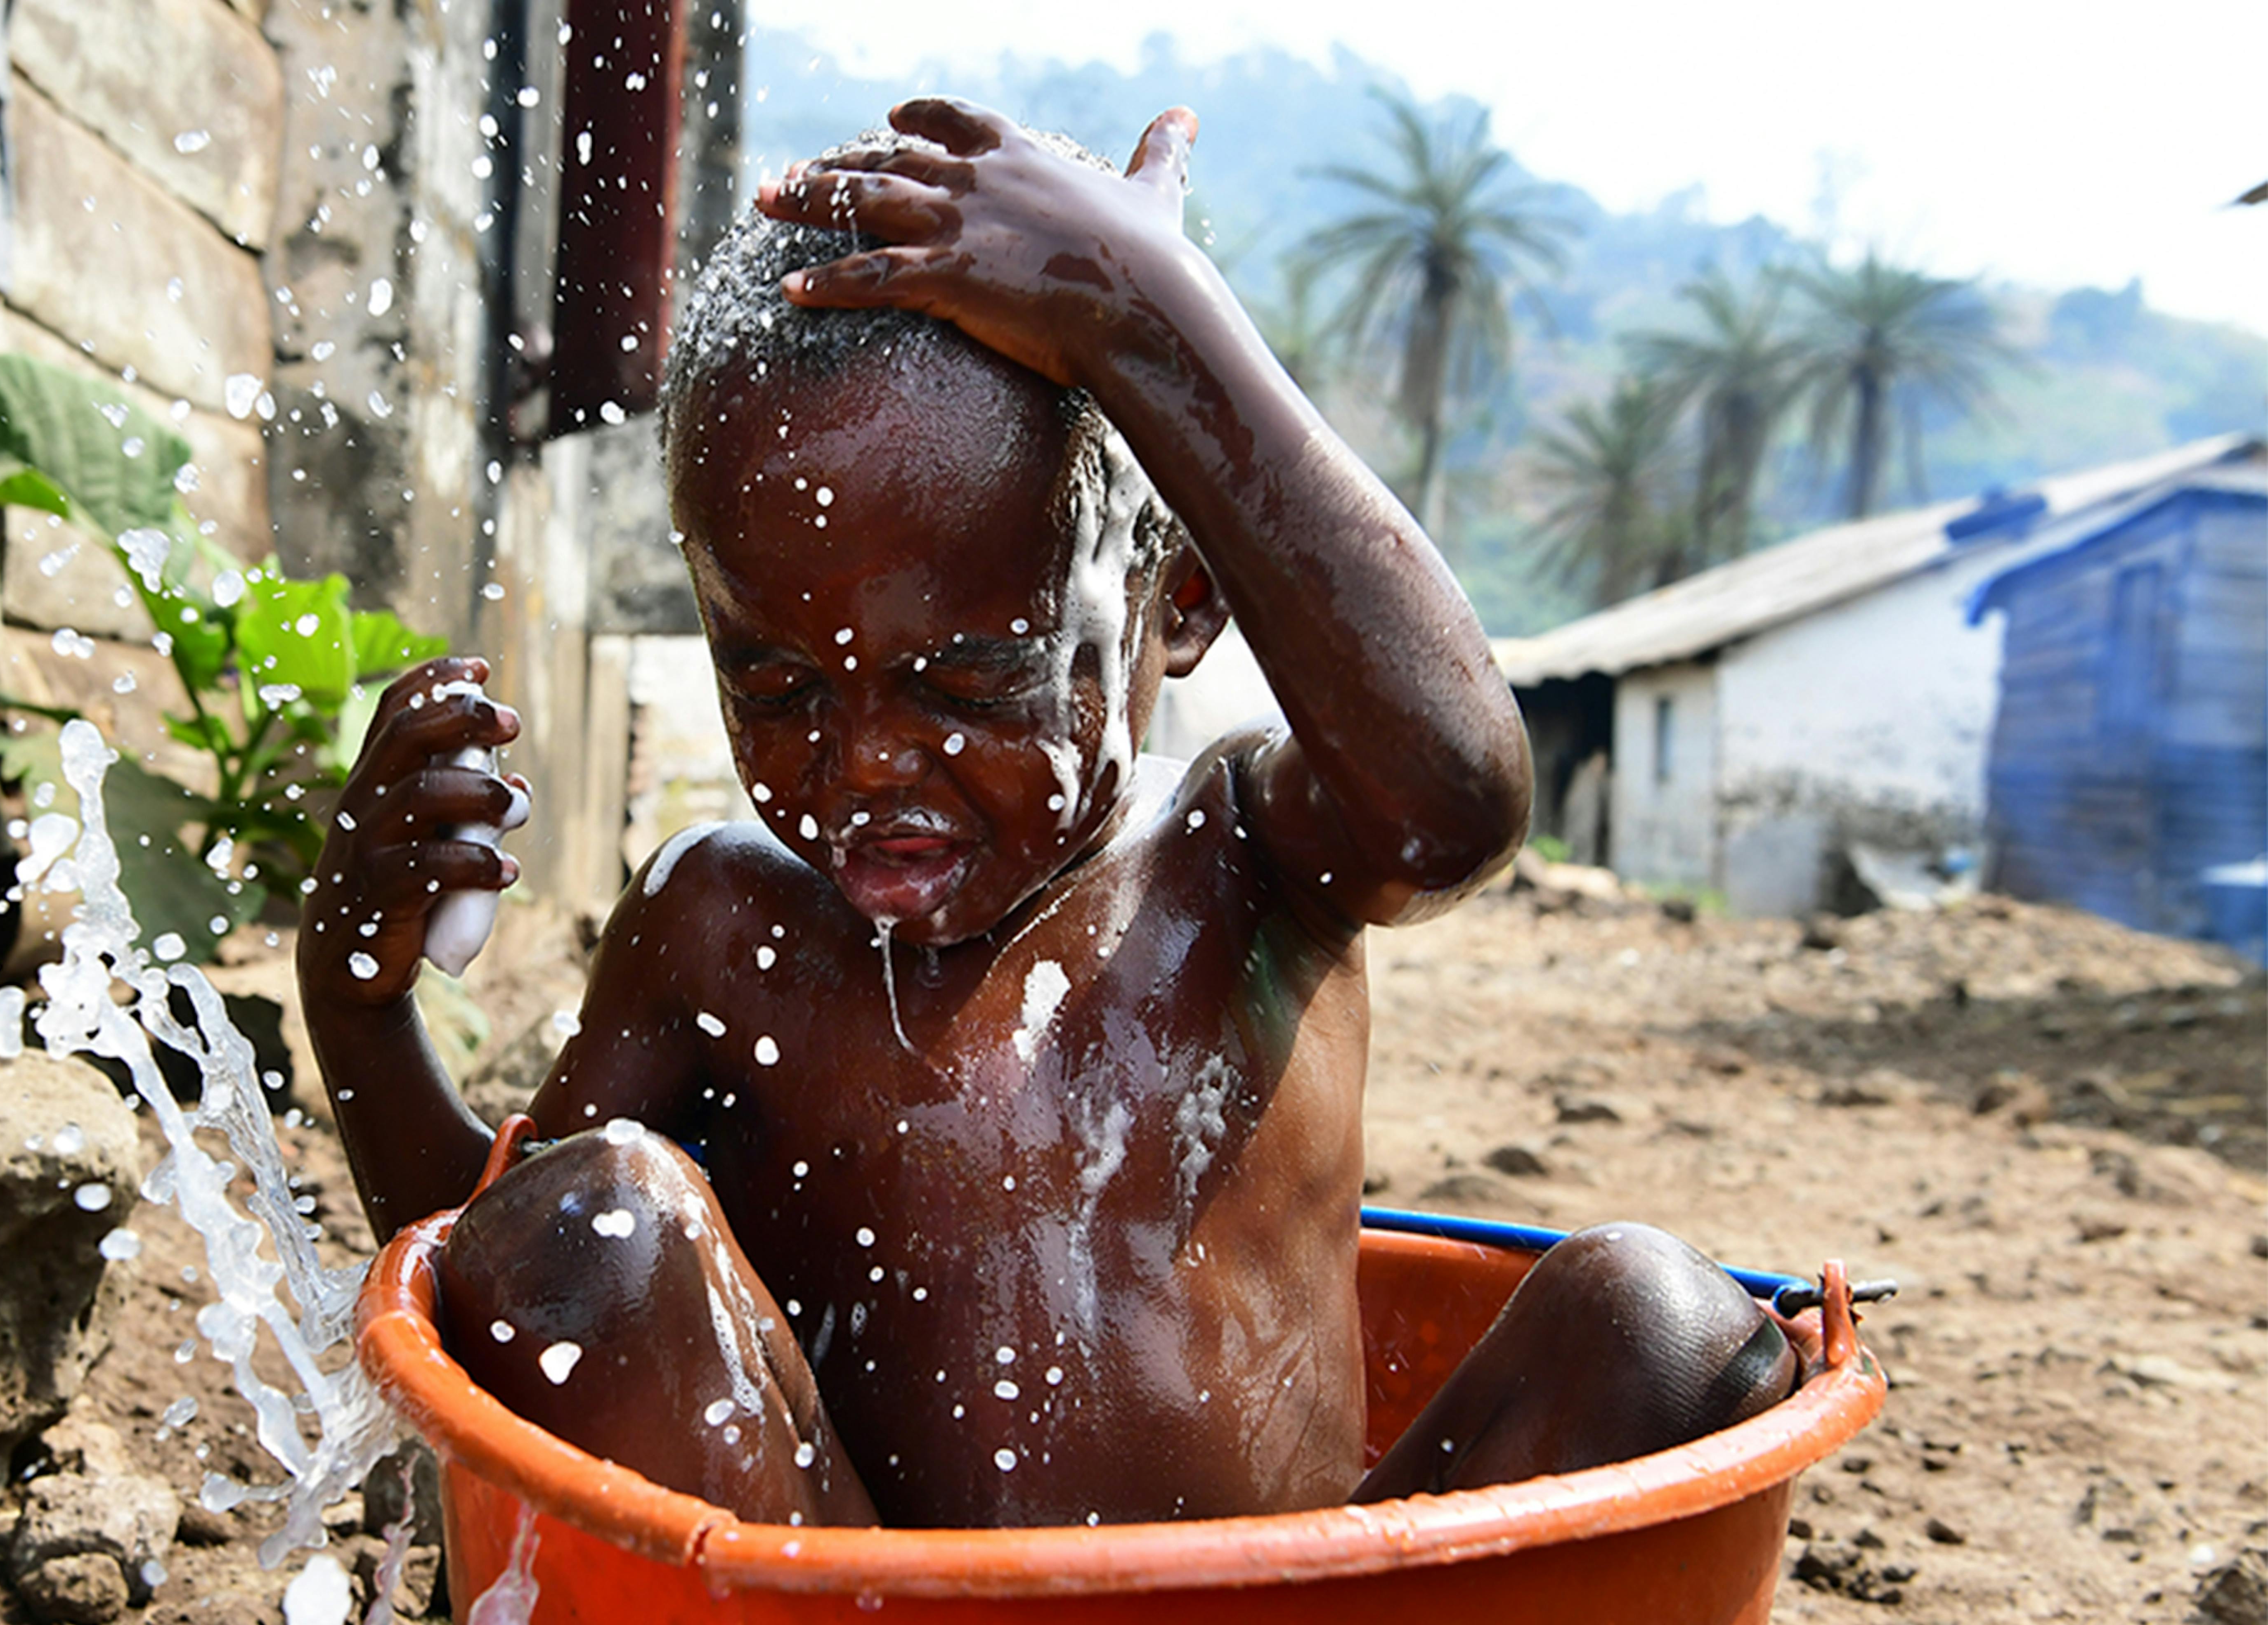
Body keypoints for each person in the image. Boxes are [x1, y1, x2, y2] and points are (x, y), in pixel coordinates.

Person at [298, 97, 1802, 1530]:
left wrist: (1150, 317)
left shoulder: (1249, 862)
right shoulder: (718, 935)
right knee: (595, 1225)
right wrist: (360, 1017)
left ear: (1185, 599)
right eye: (774, 677)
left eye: (973, 676)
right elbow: (503, 1328)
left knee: (1658, 1325)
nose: (868, 760)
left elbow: (1455, 804)